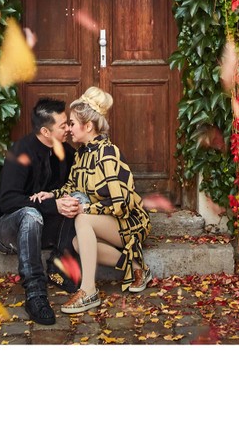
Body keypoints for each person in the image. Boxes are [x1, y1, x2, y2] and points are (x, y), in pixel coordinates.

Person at [42, 86, 152, 314]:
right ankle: (135, 267)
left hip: (130, 223)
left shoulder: (108, 154)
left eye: (72, 123)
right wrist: (52, 195)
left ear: (88, 126)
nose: (69, 128)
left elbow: (121, 204)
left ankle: (89, 290)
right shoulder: (82, 154)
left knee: (82, 219)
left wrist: (86, 207)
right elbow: (72, 186)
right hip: (107, 221)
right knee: (77, 244)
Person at [0, 98, 79, 325]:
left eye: (69, 123)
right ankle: (35, 294)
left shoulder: (65, 152)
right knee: (30, 214)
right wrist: (49, 205)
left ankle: (59, 265)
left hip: (42, 229)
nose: (68, 128)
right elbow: (8, 201)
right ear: (46, 131)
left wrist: (60, 199)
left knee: (76, 202)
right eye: (63, 125)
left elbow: (75, 186)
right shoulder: (20, 151)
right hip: (6, 230)